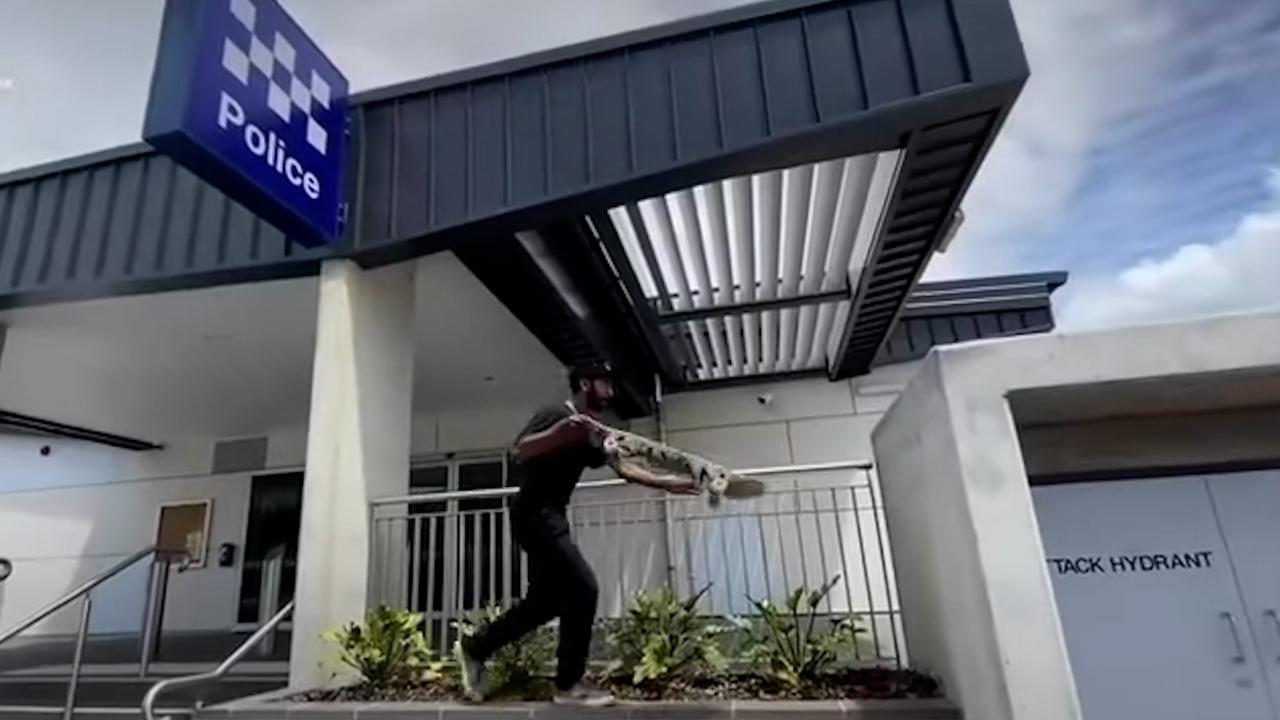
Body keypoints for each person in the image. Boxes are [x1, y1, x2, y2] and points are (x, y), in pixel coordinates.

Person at [455, 361, 698, 706]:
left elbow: (624, 468)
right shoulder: (555, 414)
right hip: (532, 515)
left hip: (553, 517)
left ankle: (476, 648)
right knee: (584, 589)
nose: (611, 391)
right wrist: (559, 434)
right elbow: (520, 450)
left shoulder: (592, 431)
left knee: (543, 604)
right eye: (606, 383)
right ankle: (569, 686)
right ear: (585, 383)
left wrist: (668, 484)